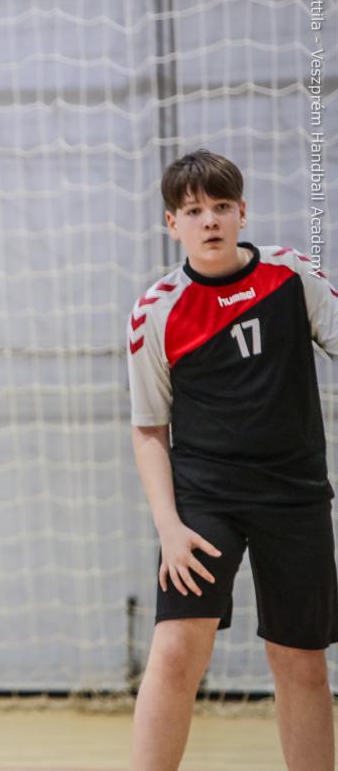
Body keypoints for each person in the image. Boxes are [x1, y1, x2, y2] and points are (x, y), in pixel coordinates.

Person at [127, 150, 337, 771]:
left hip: (294, 496)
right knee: (174, 652)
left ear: (243, 211)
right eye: (194, 211)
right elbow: (148, 429)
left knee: (300, 661)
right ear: (173, 224)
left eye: (221, 207)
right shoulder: (157, 309)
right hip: (204, 502)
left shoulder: (292, 276)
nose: (210, 221)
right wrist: (169, 527)